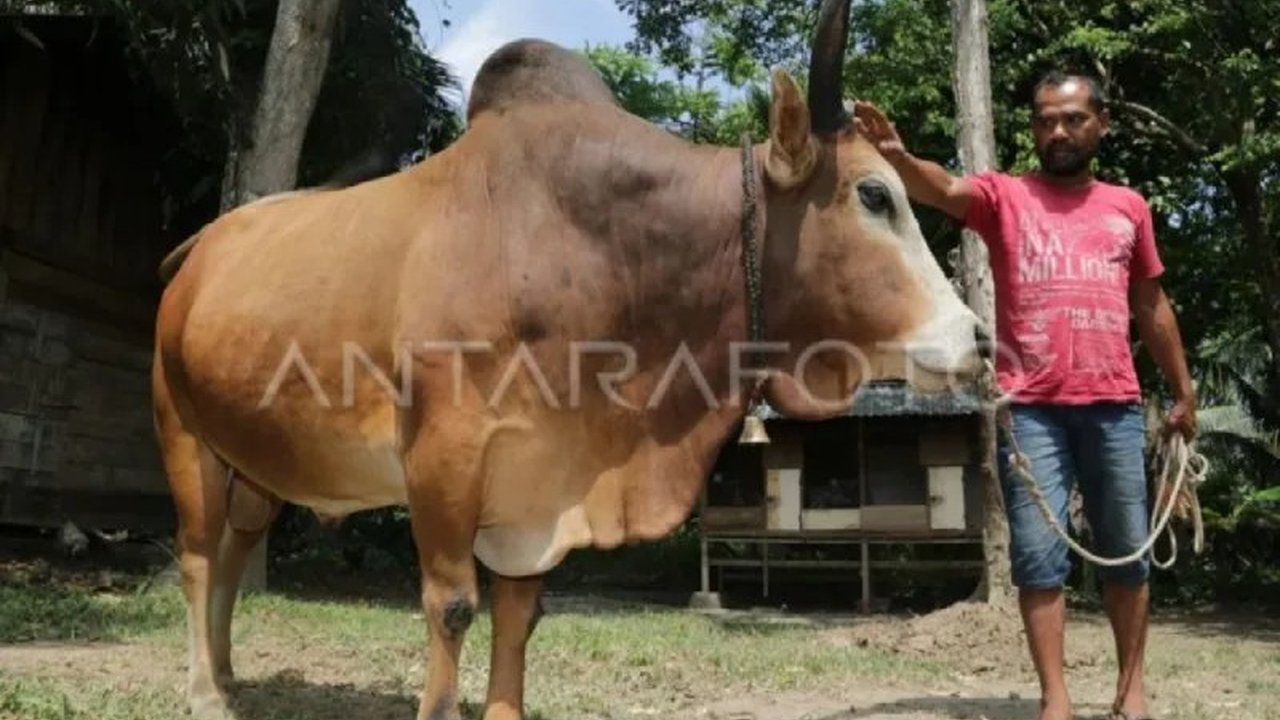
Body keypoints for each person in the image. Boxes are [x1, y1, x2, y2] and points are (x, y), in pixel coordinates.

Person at [853, 71, 1197, 720]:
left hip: (1115, 405)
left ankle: (1132, 692)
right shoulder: (1004, 197)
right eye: (1044, 120)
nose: (1057, 132)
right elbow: (945, 189)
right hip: (1031, 411)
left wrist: (1183, 390)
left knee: (1127, 553)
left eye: (1071, 119)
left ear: (1102, 123)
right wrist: (898, 159)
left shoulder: (1129, 207)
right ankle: (1056, 700)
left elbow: (1151, 305)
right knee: (1039, 558)